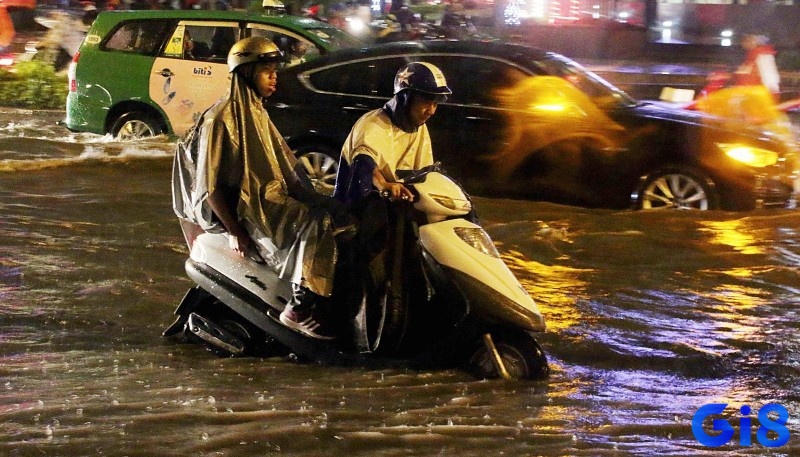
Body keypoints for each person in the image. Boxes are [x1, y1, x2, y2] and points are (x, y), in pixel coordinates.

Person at [172, 37, 342, 340]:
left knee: (340, 216)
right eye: (267, 72)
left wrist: (324, 196)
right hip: (250, 209)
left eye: (274, 71)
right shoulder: (221, 120)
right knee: (319, 223)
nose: (274, 77)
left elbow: (287, 165)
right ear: (247, 73)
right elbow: (209, 187)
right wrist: (236, 232)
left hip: (271, 198)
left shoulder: (258, 113)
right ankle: (297, 308)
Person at [333, 61, 452, 205]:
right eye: (426, 102)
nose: (431, 111)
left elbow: (424, 172)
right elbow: (364, 163)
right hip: (362, 209)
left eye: (435, 104)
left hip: (396, 208)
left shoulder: (418, 125)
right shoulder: (373, 124)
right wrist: (383, 184)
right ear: (405, 98)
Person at [734, 34, 780, 99]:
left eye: (747, 41)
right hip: (748, 96)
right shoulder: (750, 57)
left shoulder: (763, 55)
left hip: (758, 98)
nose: (743, 44)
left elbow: (770, 78)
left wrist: (771, 96)